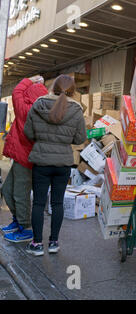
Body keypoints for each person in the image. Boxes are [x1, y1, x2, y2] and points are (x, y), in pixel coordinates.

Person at [23, 75, 87, 256]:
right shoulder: (76, 109)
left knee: (38, 202)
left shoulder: (38, 105)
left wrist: (42, 138)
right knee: (57, 203)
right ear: (73, 91)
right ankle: (53, 243)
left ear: (53, 87)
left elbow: (28, 132)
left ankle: (36, 244)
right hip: (63, 163)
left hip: (41, 162)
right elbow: (80, 138)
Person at [1, 76, 48, 242]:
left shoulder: (27, 110)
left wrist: (30, 79)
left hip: (26, 159)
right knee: (7, 190)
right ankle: (17, 221)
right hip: (21, 157)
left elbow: (16, 91)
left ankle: (25, 228)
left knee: (20, 194)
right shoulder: (38, 109)